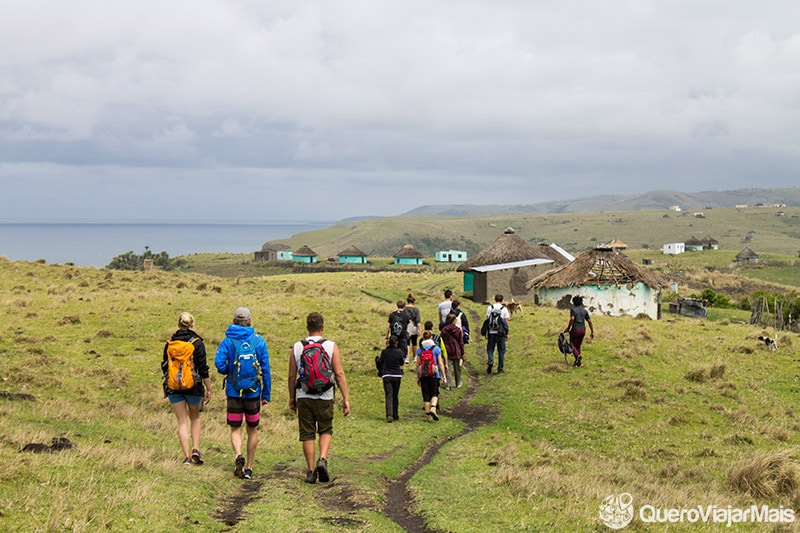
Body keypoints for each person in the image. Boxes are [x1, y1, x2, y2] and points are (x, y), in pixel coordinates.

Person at [288, 312, 351, 484]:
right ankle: (322, 458)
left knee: (307, 433)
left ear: (307, 327)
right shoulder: (331, 346)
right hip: (325, 395)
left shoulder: (297, 347)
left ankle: (310, 471)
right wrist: (346, 398)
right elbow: (338, 373)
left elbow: (292, 377)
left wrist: (292, 399)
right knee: (325, 429)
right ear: (322, 327)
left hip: (304, 395)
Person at [215, 307, 271, 480]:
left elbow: (218, 363)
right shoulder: (258, 341)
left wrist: (228, 370)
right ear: (249, 320)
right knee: (252, 429)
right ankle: (249, 467)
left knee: (235, 428)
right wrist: (266, 394)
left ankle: (238, 454)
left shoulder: (227, 341)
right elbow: (265, 369)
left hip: (234, 391)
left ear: (234, 321)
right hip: (253, 392)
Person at [162, 312, 211, 465]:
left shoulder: (170, 343)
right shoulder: (197, 343)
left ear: (178, 324)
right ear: (192, 324)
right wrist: (208, 387)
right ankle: (196, 448)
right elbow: (203, 368)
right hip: (194, 387)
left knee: (182, 421)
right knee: (195, 417)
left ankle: (187, 457)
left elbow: (164, 366)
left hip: (173, 387)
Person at [416, 331, 447, 422]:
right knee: (435, 393)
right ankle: (433, 407)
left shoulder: (419, 350)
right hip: (434, 374)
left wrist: (418, 377)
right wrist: (443, 376)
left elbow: (418, 365)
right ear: (431, 338)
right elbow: (440, 363)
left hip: (423, 375)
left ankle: (428, 416)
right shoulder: (436, 349)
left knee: (426, 395)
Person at [378, 335, 406, 422]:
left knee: (388, 395)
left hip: (386, 375)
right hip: (397, 375)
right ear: (396, 343)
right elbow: (401, 363)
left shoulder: (384, 352)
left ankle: (389, 415)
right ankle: (395, 414)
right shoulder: (399, 352)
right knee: (395, 395)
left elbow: (381, 362)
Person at [565, 295, 594, 367]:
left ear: (574, 303)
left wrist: (568, 328)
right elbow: (589, 321)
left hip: (575, 329)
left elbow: (572, 319)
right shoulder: (584, 311)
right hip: (583, 329)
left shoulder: (573, 310)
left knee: (572, 345)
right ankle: (577, 361)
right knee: (578, 345)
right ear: (581, 303)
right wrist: (592, 331)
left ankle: (578, 356)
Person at [485, 294, 510, 374]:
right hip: (501, 332)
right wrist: (507, 333)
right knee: (501, 350)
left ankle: (490, 360)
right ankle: (500, 368)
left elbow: (488, 319)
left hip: (491, 332)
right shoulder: (504, 309)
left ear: (495, 299)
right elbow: (506, 322)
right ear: (502, 300)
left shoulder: (490, 308)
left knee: (490, 349)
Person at [440, 313, 464, 389]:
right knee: (457, 368)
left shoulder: (444, 330)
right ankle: (458, 382)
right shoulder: (458, 330)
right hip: (456, 350)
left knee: (448, 368)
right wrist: (462, 352)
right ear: (454, 321)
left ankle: (449, 385)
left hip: (447, 350)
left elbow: (441, 340)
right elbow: (461, 342)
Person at [404, 293, 422, 362]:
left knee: (407, 343)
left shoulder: (404, 309)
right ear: (413, 301)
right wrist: (420, 329)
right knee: (414, 342)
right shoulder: (416, 309)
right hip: (414, 327)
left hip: (406, 327)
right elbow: (418, 321)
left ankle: (407, 358)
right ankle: (414, 357)